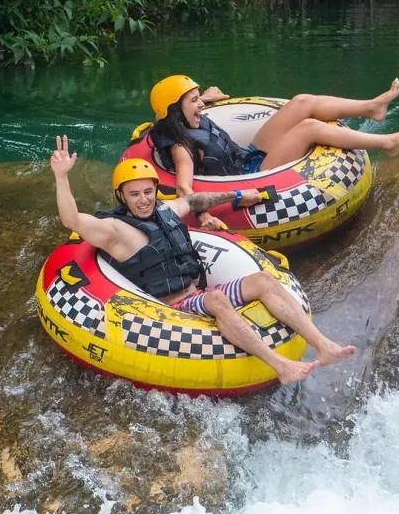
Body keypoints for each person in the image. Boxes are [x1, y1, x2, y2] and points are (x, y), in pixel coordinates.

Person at [50, 135, 356, 384]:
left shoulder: (165, 211)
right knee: (215, 300)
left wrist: (236, 196)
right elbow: (72, 220)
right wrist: (62, 177)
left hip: (197, 291)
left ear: (156, 191)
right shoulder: (115, 230)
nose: (143, 200)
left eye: (148, 192)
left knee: (263, 280)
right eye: (134, 195)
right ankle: (281, 366)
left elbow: (196, 200)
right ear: (122, 197)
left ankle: (323, 345)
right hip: (172, 307)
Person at [147, 75, 399, 230]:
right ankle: (389, 143)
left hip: (246, 157)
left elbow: (184, 115)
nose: (200, 105)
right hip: (252, 176)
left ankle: (372, 108)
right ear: (175, 110)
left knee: (302, 102)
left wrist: (206, 97)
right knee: (308, 128)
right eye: (193, 101)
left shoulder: (184, 119)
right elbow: (184, 187)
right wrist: (203, 216)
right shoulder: (181, 146)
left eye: (198, 99)